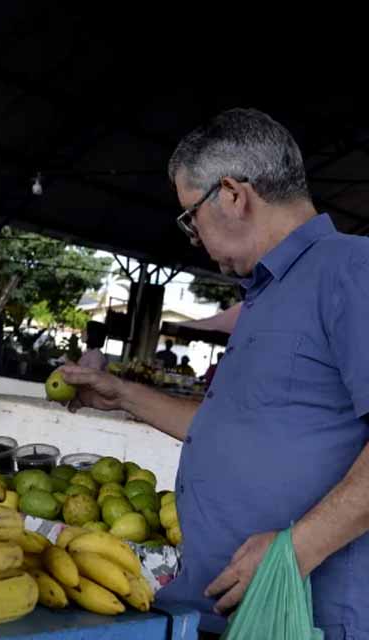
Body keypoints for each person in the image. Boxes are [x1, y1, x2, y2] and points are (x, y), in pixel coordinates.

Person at [59, 108, 369, 638]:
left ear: (231, 194)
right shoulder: (266, 296)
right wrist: (122, 395)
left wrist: (296, 550)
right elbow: (233, 428)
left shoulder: (351, 269)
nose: (193, 236)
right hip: (224, 608)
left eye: (189, 215)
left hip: (301, 615)